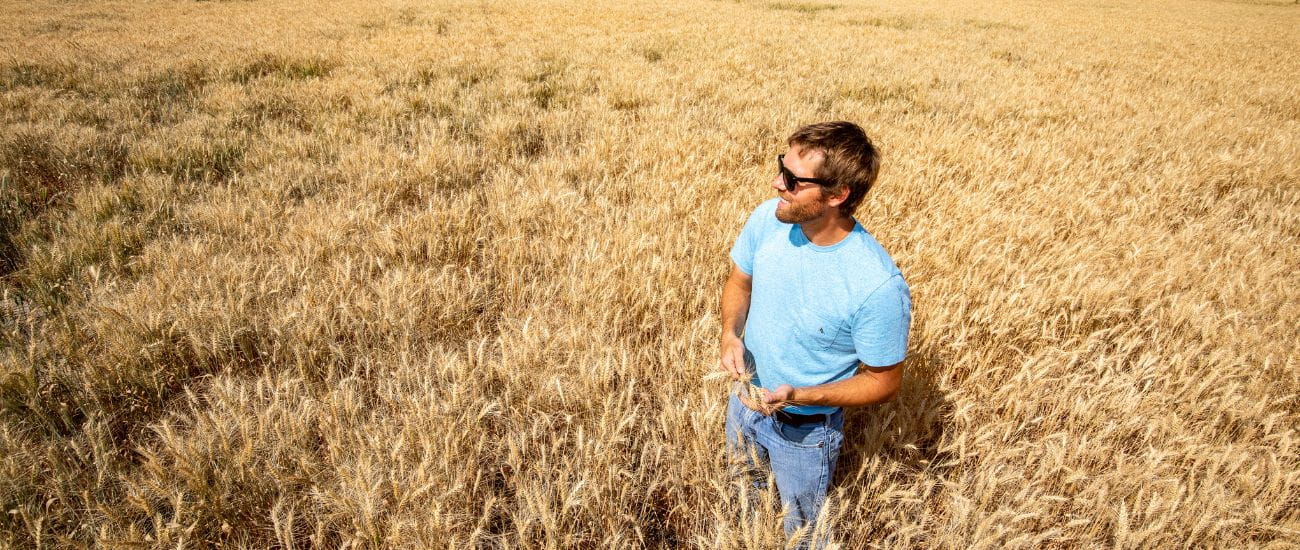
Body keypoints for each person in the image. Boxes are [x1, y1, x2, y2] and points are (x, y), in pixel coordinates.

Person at [719, 121, 911, 547]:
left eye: (791, 179)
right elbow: (739, 282)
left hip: (804, 435)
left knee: (802, 536)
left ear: (837, 194)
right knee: (743, 504)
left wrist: (800, 396)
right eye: (780, 167)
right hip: (743, 402)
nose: (776, 183)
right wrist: (730, 335)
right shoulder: (767, 220)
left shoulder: (876, 287)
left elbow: (885, 382)